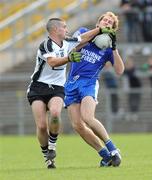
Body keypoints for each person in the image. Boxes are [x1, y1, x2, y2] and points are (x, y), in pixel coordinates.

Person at [27, 17, 106, 169]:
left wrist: (100, 30)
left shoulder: (68, 42)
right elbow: (52, 62)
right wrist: (69, 58)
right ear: (55, 30)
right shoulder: (46, 45)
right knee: (42, 126)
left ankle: (52, 145)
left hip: (57, 87)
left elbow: (84, 37)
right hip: (38, 87)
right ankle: (47, 156)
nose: (67, 30)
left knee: (55, 113)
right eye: (64, 27)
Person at [64, 12, 124, 167]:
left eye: (110, 22)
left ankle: (113, 150)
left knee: (88, 118)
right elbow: (73, 47)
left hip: (89, 83)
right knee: (77, 125)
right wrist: (97, 33)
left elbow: (119, 70)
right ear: (99, 22)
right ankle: (105, 155)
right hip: (71, 83)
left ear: (112, 29)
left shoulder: (108, 48)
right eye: (105, 19)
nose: (107, 22)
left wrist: (114, 48)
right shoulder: (84, 32)